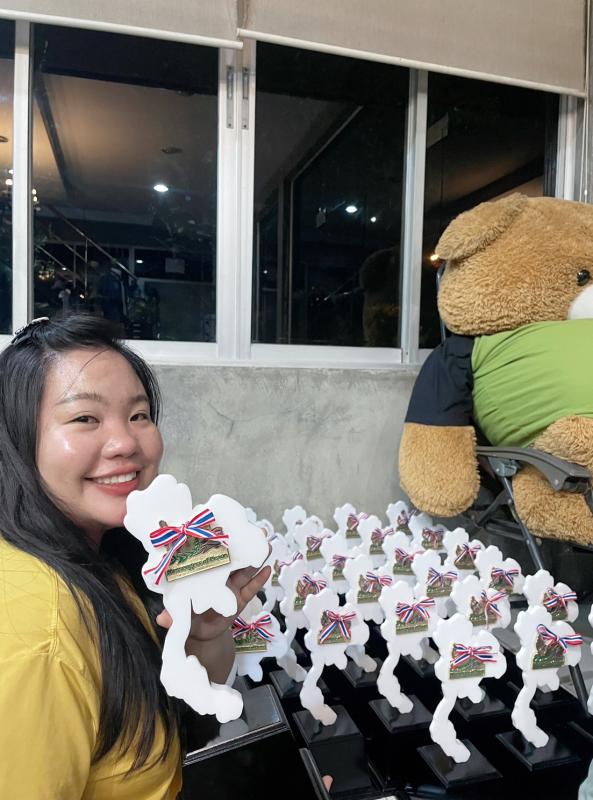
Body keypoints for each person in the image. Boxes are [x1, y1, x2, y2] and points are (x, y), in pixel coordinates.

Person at [0, 314, 271, 798]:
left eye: (139, 415)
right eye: (85, 418)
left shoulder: (107, 556)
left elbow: (176, 719)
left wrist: (203, 634)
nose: (125, 443)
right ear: (17, 441)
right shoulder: (41, 633)